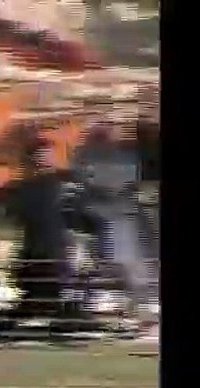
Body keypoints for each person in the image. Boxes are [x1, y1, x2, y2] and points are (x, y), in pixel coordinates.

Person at [72, 120, 158, 340]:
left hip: (121, 221)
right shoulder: (91, 156)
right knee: (124, 268)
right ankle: (139, 315)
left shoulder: (120, 157)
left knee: (132, 270)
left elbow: (123, 184)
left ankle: (143, 315)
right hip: (110, 221)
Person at [7, 132, 79, 321]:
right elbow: (16, 215)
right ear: (33, 158)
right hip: (37, 250)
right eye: (43, 154)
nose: (48, 159)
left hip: (55, 250)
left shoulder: (61, 184)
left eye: (49, 154)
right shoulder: (25, 187)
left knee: (51, 296)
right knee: (36, 296)